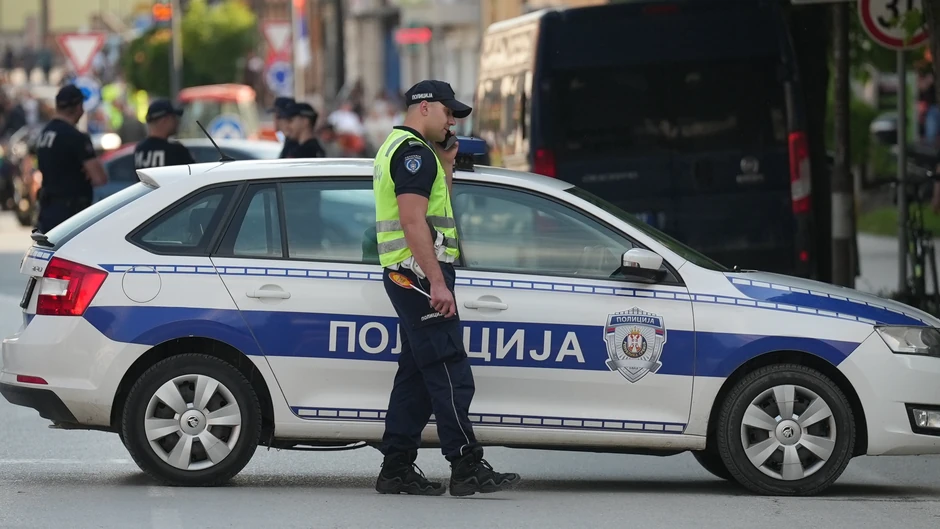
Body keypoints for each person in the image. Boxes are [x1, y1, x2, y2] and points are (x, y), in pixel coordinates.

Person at [371, 79, 520, 497]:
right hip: (418, 275)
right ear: (424, 108)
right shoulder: (414, 153)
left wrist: (448, 167)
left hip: (409, 273)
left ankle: (396, 468)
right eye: (447, 112)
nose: (452, 120)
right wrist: (437, 281)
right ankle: (467, 466)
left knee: (417, 375)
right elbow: (413, 221)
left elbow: (432, 211)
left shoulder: (403, 149)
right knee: (450, 370)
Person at [34, 85, 108, 233]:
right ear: (79, 107)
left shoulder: (44, 134)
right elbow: (99, 178)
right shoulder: (75, 137)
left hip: (47, 211)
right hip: (71, 215)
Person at [133, 99, 195, 169]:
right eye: (174, 118)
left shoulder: (140, 149)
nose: (177, 122)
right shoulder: (176, 150)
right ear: (164, 120)